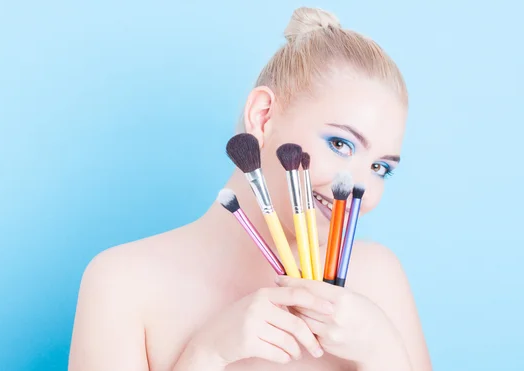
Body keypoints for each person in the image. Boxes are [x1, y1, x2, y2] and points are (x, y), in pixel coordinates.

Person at [68, 6, 432, 371]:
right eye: (340, 144)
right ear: (263, 115)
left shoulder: (380, 277)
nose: (361, 186)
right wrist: (206, 354)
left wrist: (384, 353)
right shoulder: (122, 285)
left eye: (380, 168)